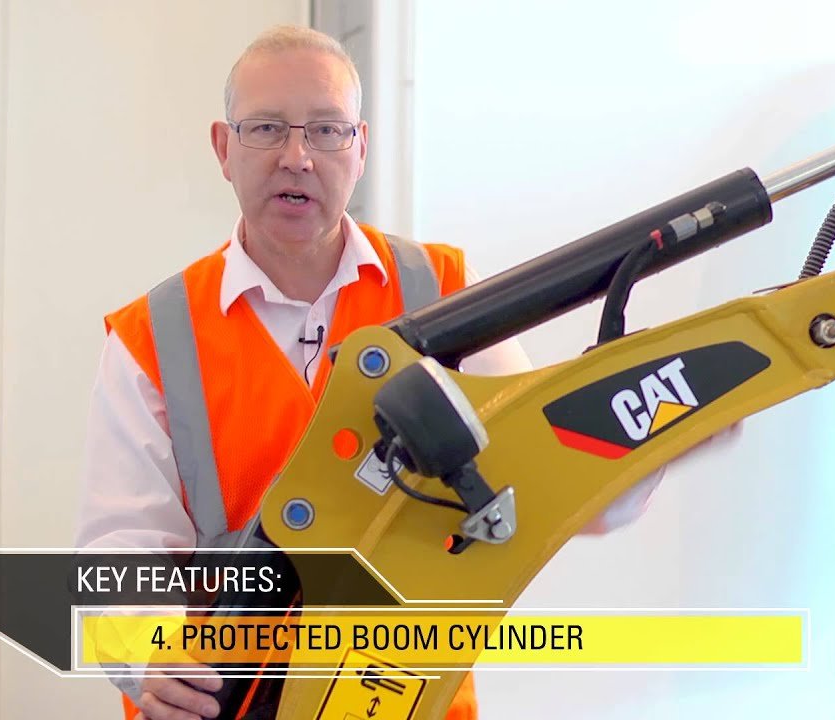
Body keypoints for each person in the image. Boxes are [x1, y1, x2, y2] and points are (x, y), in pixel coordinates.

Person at [74, 25, 664, 720]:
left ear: (360, 148)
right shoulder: (152, 335)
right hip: (223, 703)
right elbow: (117, 552)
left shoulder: (445, 289)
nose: (297, 157)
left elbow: (546, 486)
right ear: (223, 148)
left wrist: (658, 427)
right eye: (266, 128)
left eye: (326, 131)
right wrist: (146, 652)